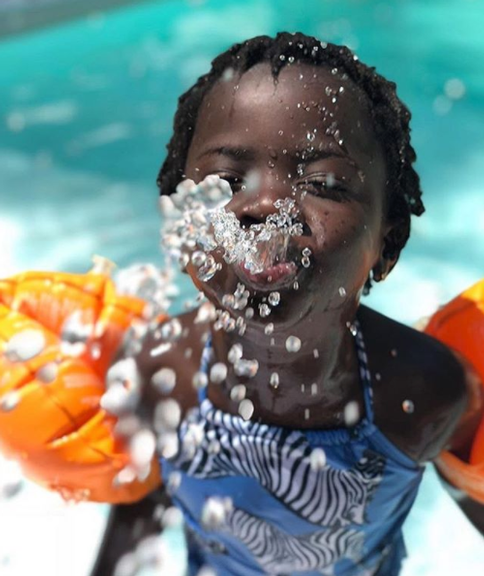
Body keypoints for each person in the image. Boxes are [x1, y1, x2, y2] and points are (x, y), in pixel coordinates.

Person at [1, 32, 483, 576]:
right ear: (179, 219)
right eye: (227, 180)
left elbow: (472, 488)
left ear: (386, 244)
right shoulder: (162, 376)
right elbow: (142, 510)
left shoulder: (422, 394)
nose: (264, 204)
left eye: (323, 184)